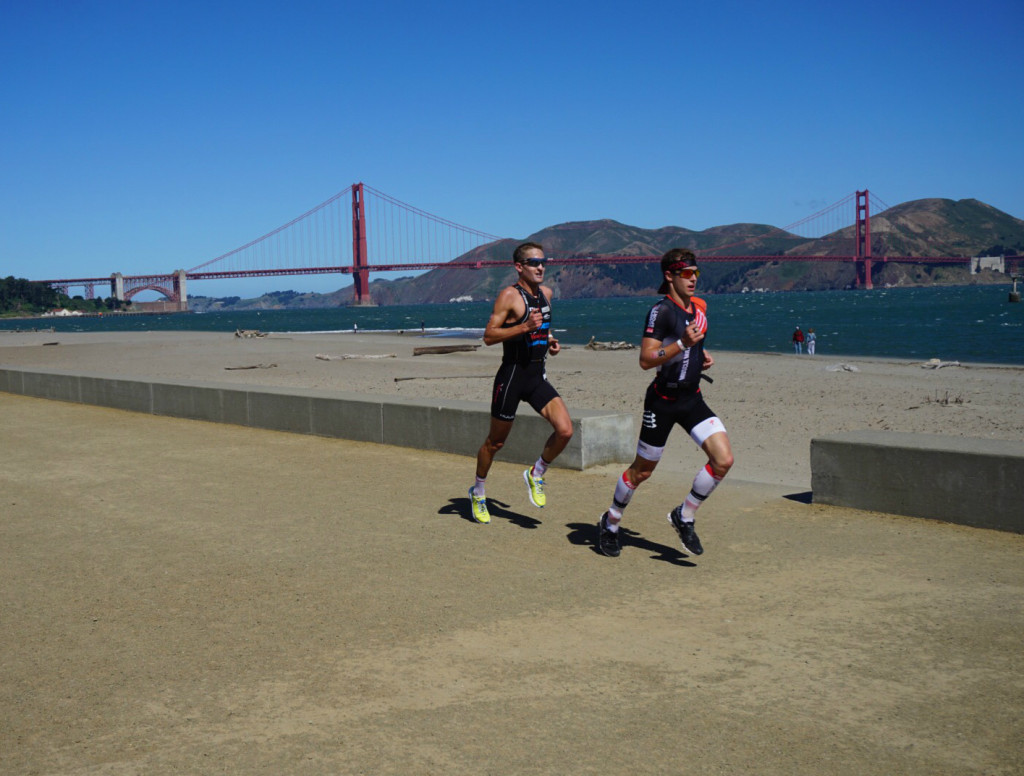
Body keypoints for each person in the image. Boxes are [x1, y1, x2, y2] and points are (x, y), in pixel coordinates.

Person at [596, 248, 734, 558]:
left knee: (723, 460)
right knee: (642, 472)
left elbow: (692, 342)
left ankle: (683, 516)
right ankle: (611, 522)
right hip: (662, 401)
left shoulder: (697, 308)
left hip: (692, 399)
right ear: (669, 275)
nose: (693, 279)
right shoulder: (661, 311)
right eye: (686, 273)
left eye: (696, 273)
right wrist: (684, 344)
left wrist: (700, 357)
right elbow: (646, 359)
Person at [468, 242, 573, 524]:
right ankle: (478, 492)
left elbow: (543, 328)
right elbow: (489, 336)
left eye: (543, 261)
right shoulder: (508, 296)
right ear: (519, 267)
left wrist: (549, 341)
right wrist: (523, 328)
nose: (540, 267)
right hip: (512, 375)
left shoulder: (547, 294)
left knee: (565, 431)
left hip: (537, 375)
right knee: (495, 442)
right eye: (534, 262)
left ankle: (536, 473)